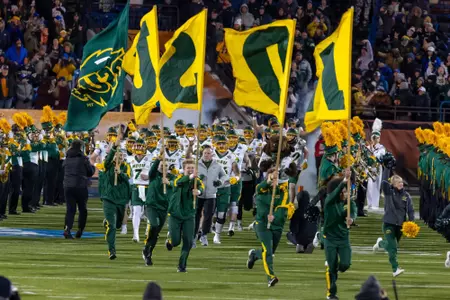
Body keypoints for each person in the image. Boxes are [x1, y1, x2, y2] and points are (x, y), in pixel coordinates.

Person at [246, 167, 293, 287]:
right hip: (261, 224)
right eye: (272, 178)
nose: (274, 181)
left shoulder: (282, 191)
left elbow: (283, 206)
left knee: (270, 252)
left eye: (276, 179)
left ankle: (254, 254)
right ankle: (271, 277)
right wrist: (270, 179)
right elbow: (260, 187)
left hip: (276, 226)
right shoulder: (261, 189)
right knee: (268, 250)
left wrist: (275, 217)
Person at [96, 129, 131, 260]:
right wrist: (115, 146)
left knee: (116, 225)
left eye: (121, 157)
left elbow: (127, 180)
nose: (119, 158)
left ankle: (109, 223)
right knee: (112, 225)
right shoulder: (107, 165)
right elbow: (108, 159)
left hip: (121, 200)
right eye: (117, 156)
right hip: (108, 198)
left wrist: (120, 173)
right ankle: (112, 250)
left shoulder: (126, 167)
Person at [165, 158, 204, 272]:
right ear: (184, 169)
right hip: (175, 214)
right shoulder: (178, 178)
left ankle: (182, 265)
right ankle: (171, 242)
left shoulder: (197, 180)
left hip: (189, 215)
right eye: (188, 168)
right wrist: (190, 177)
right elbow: (178, 183)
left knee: (188, 241)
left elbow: (202, 187)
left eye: (192, 168)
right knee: (176, 241)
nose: (191, 170)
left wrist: (199, 192)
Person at [372, 175, 414, 277]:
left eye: (402, 182)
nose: (401, 184)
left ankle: (380, 243)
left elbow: (410, 210)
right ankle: (395, 269)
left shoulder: (406, 195)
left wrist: (411, 223)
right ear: (394, 184)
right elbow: (383, 183)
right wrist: (387, 168)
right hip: (388, 225)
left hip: (400, 226)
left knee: (391, 246)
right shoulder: (389, 193)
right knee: (393, 248)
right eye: (398, 182)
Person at [323, 168, 356, 300]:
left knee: (345, 264)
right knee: (331, 267)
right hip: (329, 237)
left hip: (343, 238)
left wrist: (351, 219)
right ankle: (331, 293)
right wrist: (344, 180)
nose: (346, 193)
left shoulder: (349, 203)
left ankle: (334, 271)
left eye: (347, 190)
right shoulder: (329, 202)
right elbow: (335, 193)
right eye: (343, 190)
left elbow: (353, 212)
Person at [141, 156, 173, 266]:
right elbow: (152, 170)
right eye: (161, 166)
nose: (163, 168)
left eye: (166, 166)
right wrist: (158, 160)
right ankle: (147, 248)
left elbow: (177, 185)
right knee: (154, 225)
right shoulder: (154, 176)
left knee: (156, 232)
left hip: (163, 208)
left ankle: (148, 251)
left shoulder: (171, 177)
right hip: (152, 206)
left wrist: (169, 183)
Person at [62, 139, 95, 239]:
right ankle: (80, 229)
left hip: (68, 186)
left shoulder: (66, 159)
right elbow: (90, 172)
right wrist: (92, 165)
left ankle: (67, 229)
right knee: (82, 209)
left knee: (70, 209)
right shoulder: (83, 159)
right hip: (80, 186)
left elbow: (63, 169)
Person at [196, 145, 227, 246]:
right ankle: (194, 235)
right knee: (196, 215)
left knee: (208, 216)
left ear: (212, 154)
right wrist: (196, 178)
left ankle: (204, 235)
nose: (206, 155)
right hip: (197, 193)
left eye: (208, 153)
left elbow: (224, 175)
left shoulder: (217, 165)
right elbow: (189, 173)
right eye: (205, 153)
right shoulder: (196, 164)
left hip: (211, 193)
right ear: (202, 153)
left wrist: (220, 181)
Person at [366, 119, 385, 211]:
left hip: (377, 168)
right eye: (375, 138)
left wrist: (373, 154)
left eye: (377, 138)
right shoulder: (368, 147)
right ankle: (369, 203)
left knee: (376, 185)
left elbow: (380, 156)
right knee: (369, 185)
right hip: (369, 168)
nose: (376, 139)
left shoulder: (381, 148)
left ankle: (375, 204)